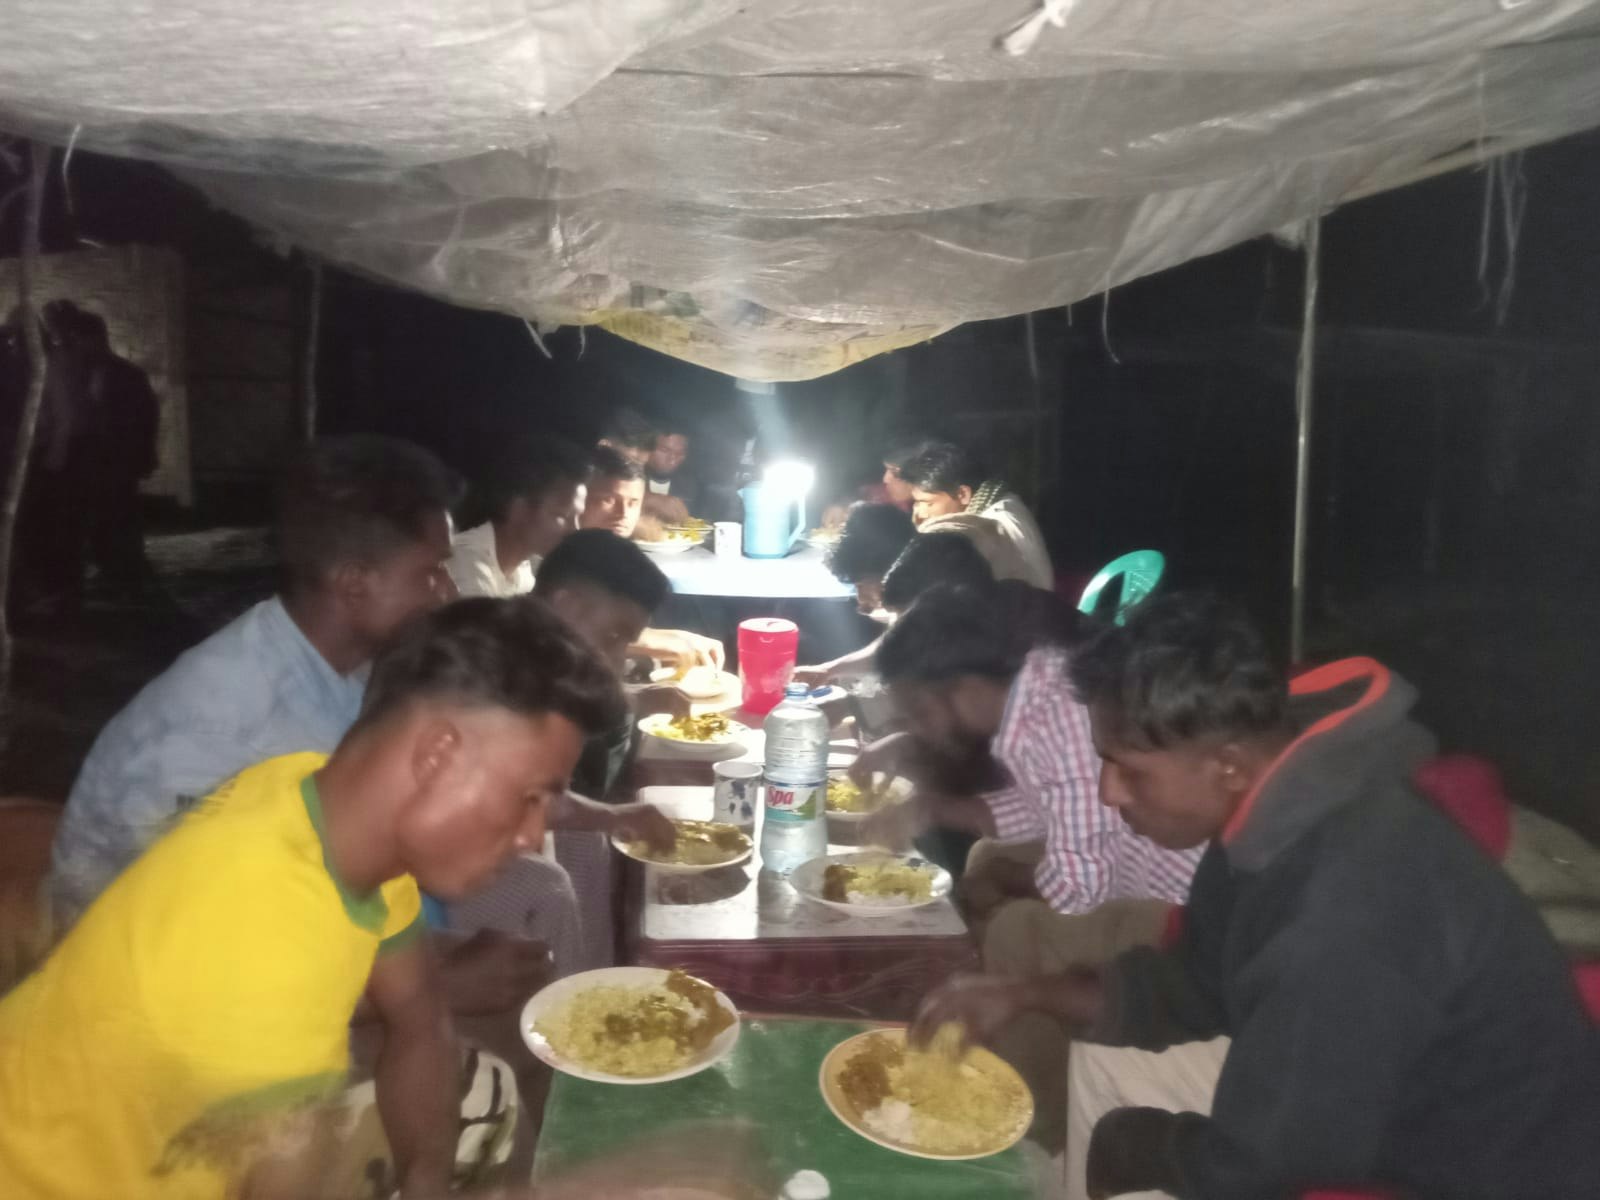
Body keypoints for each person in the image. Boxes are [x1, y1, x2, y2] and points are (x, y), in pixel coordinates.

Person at [913, 594, 1600, 1200]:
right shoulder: (1273, 804)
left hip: (1471, 1174)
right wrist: (1026, 993)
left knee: (1130, 1157)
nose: (1108, 792)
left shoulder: (1345, 907)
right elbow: (1195, 985)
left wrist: (1145, 1145)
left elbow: (1262, 1166)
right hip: (1366, 1098)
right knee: (1102, 1059)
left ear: (1228, 766)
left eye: (1129, 770)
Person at [0, 596, 627, 1198]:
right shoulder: (268, 955)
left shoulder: (316, 796)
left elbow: (420, 1013)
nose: (532, 836)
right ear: (438, 754)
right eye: (529, 797)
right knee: (489, 1101)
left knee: (473, 1073)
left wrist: (427, 1185)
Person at [871, 584, 1198, 921]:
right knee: (985, 862)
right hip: (1120, 879)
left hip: (1173, 907)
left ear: (968, 688)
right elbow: (1035, 809)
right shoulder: (1032, 693)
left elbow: (1078, 891)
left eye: (921, 713)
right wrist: (930, 809)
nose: (919, 729)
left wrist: (1003, 876)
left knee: (1007, 922)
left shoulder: (1064, 716)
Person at [450, 531, 687, 972]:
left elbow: (536, 795)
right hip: (427, 864)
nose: (617, 661)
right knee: (548, 886)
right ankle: (561, 1000)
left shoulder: (534, 650)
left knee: (588, 840)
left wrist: (615, 816)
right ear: (566, 605)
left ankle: (595, 977)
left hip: (491, 822)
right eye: (613, 635)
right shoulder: (485, 662)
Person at [582, 444, 725, 672]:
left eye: (633, 503)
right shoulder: (553, 553)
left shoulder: (619, 559)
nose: (622, 513)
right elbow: (566, 627)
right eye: (608, 499)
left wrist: (681, 639)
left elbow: (625, 631)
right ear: (579, 498)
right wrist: (658, 643)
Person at [447, 437, 589, 598]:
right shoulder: (465, 565)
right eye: (562, 515)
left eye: (578, 517)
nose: (574, 530)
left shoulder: (525, 573)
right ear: (518, 508)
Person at [900, 441, 1053, 589]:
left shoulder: (993, 524)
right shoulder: (1000, 501)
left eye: (928, 503)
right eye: (916, 503)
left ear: (962, 494)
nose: (920, 513)